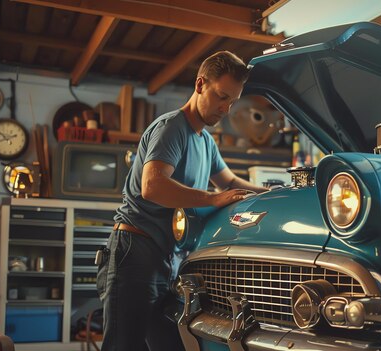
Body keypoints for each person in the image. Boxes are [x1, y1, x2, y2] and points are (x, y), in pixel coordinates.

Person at [96, 51, 268, 351]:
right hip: (135, 254)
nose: (226, 109)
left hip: (169, 261)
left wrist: (271, 193)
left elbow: (230, 183)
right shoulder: (172, 127)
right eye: (221, 96)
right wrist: (213, 199)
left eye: (233, 101)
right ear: (200, 84)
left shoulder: (205, 141)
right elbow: (153, 186)